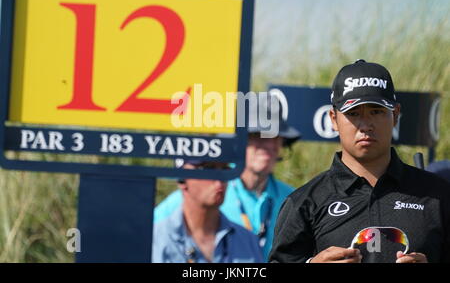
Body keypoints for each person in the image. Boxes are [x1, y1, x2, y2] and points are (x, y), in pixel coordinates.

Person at [269, 60, 450, 263]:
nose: (365, 125)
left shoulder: (438, 195)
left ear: (396, 115)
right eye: (353, 113)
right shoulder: (303, 202)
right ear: (333, 119)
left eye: (376, 111)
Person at [154, 92, 301, 259]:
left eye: (274, 136)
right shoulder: (199, 192)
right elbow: (150, 238)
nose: (267, 144)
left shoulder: (295, 200)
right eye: (256, 135)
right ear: (235, 143)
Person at [152, 160, 264, 263]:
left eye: (225, 169)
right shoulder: (154, 240)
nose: (219, 180)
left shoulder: (248, 241)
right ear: (182, 179)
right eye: (208, 169)